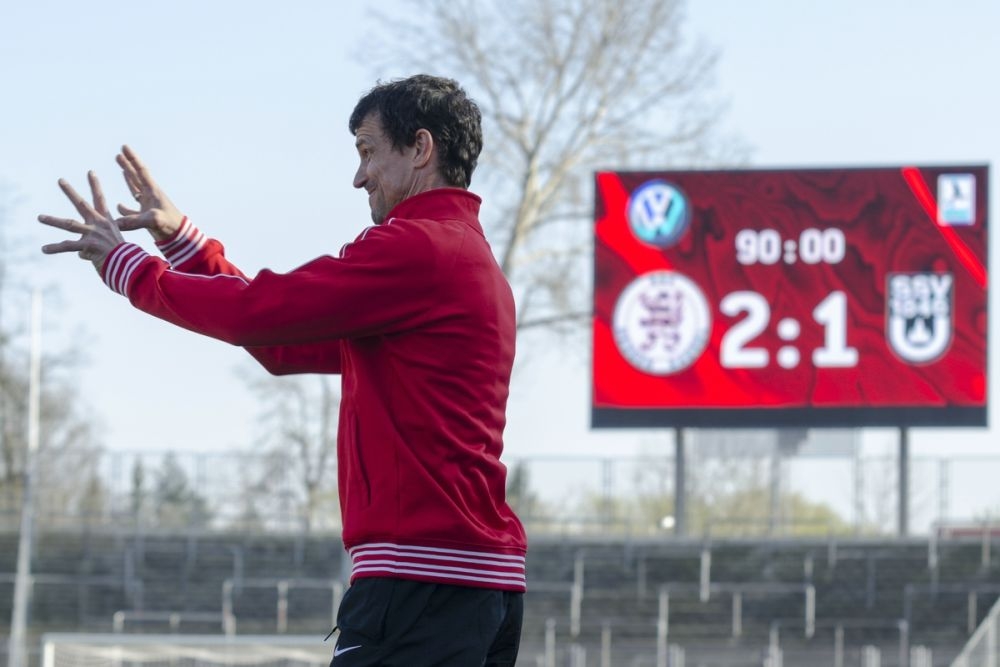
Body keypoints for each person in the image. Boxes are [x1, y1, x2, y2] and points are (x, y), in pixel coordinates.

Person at [39, 74, 527, 666]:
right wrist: (184, 243)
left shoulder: (418, 249)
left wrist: (128, 268)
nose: (359, 177)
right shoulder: (467, 262)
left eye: (367, 151)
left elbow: (256, 313)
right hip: (474, 585)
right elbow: (280, 343)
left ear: (421, 148)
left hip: (420, 583)